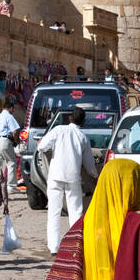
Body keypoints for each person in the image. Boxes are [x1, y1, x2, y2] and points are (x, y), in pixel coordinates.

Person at [37, 107, 97, 256]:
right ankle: (74, 245)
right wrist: (96, 176)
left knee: (54, 211)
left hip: (55, 176)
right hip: (73, 178)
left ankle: (54, 247)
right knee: (75, 211)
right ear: (83, 122)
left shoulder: (58, 130)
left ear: (70, 118)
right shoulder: (83, 138)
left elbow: (42, 146)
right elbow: (89, 164)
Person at [0, 97, 20, 186]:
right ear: (11, 108)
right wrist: (16, 142)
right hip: (4, 140)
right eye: (13, 109)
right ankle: (11, 186)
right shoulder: (9, 116)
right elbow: (15, 131)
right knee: (11, 162)